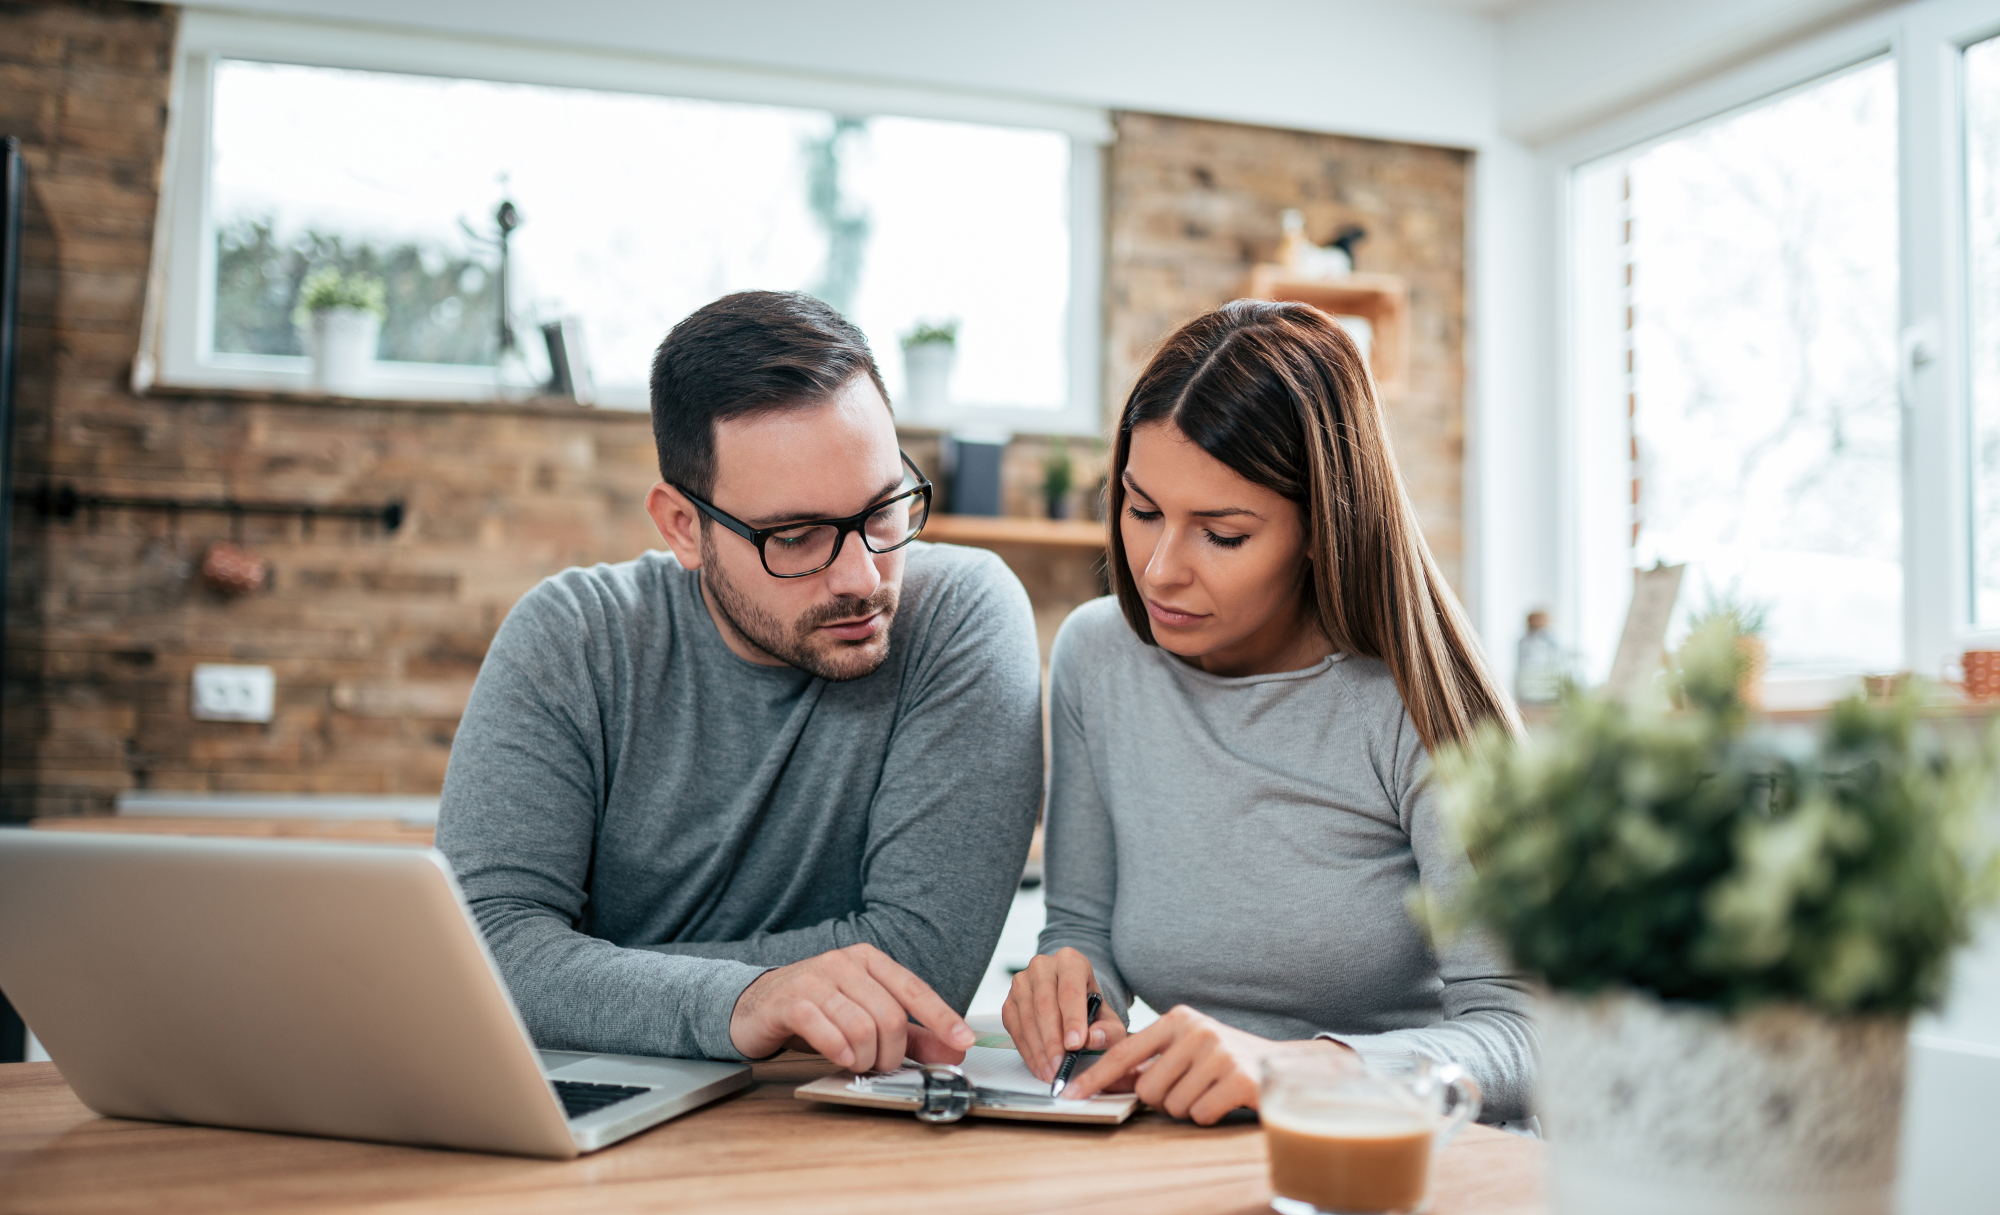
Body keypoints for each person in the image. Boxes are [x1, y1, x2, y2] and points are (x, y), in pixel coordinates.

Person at [438, 291, 1043, 1074]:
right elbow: (484, 950)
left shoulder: (961, 616)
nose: (863, 577)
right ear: (684, 527)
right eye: (796, 537)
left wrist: (589, 975)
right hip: (591, 1110)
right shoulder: (575, 638)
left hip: (835, 1125)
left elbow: (921, 967)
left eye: (885, 509)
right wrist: (743, 998)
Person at [1002, 300, 1535, 1125]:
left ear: (1324, 528)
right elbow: (1081, 928)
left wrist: (1299, 1069)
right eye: (1142, 511)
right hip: (1204, 1157)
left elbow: (1526, 1034)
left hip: (1406, 1167)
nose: (1158, 570)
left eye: (1221, 534)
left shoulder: (1422, 703)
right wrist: (1072, 990)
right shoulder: (1097, 660)